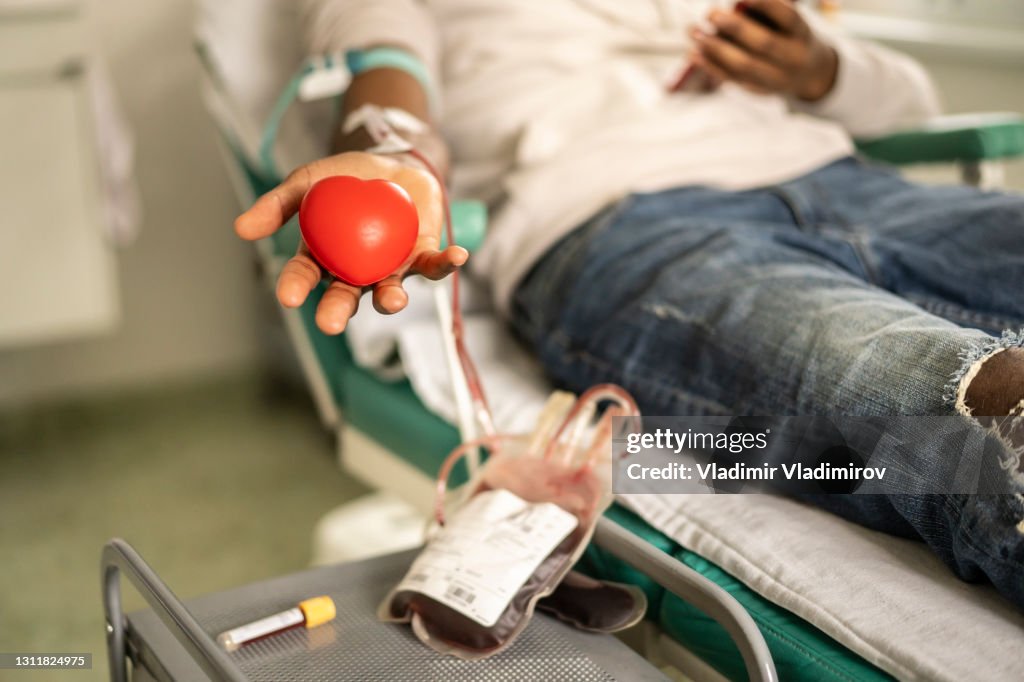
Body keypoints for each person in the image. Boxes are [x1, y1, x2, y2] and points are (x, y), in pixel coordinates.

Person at [234, 0, 1024, 609]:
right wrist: (391, 156)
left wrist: (813, 68)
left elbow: (911, 103)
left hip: (852, 183)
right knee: (951, 407)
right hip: (617, 224)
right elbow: (383, 79)